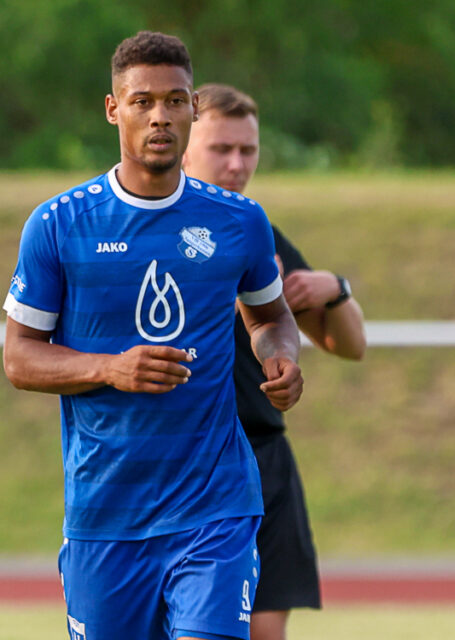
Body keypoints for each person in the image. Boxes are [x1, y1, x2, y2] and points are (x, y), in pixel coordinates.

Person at [2, 32, 303, 640]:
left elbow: (271, 317)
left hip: (214, 507)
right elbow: (19, 358)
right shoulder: (60, 225)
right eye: (142, 101)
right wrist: (109, 369)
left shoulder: (240, 221)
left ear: (193, 107)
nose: (160, 116)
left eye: (174, 100)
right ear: (113, 109)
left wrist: (281, 358)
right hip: (105, 514)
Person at [183, 83, 366, 640]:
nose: (238, 164)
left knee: (264, 633)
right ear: (185, 145)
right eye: (222, 149)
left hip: (260, 459)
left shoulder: (257, 233)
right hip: (177, 464)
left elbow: (348, 344)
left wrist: (335, 288)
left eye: (248, 150)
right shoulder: (142, 231)